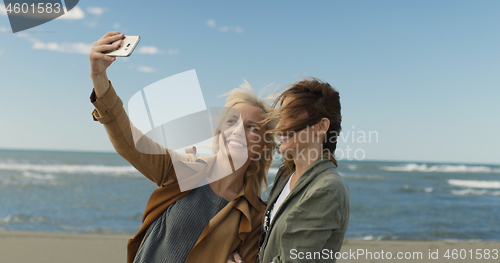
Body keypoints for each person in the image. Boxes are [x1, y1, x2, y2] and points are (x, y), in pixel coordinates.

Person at [88, 31, 277, 263]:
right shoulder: (183, 170)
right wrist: (99, 77)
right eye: (231, 121)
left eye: (252, 128)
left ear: (263, 146)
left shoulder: (256, 216)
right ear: (219, 131)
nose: (238, 130)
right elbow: (129, 141)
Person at [229, 78, 350, 263]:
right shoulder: (287, 175)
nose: (279, 126)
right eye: (281, 116)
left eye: (291, 116)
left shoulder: (326, 188)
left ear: (321, 126)